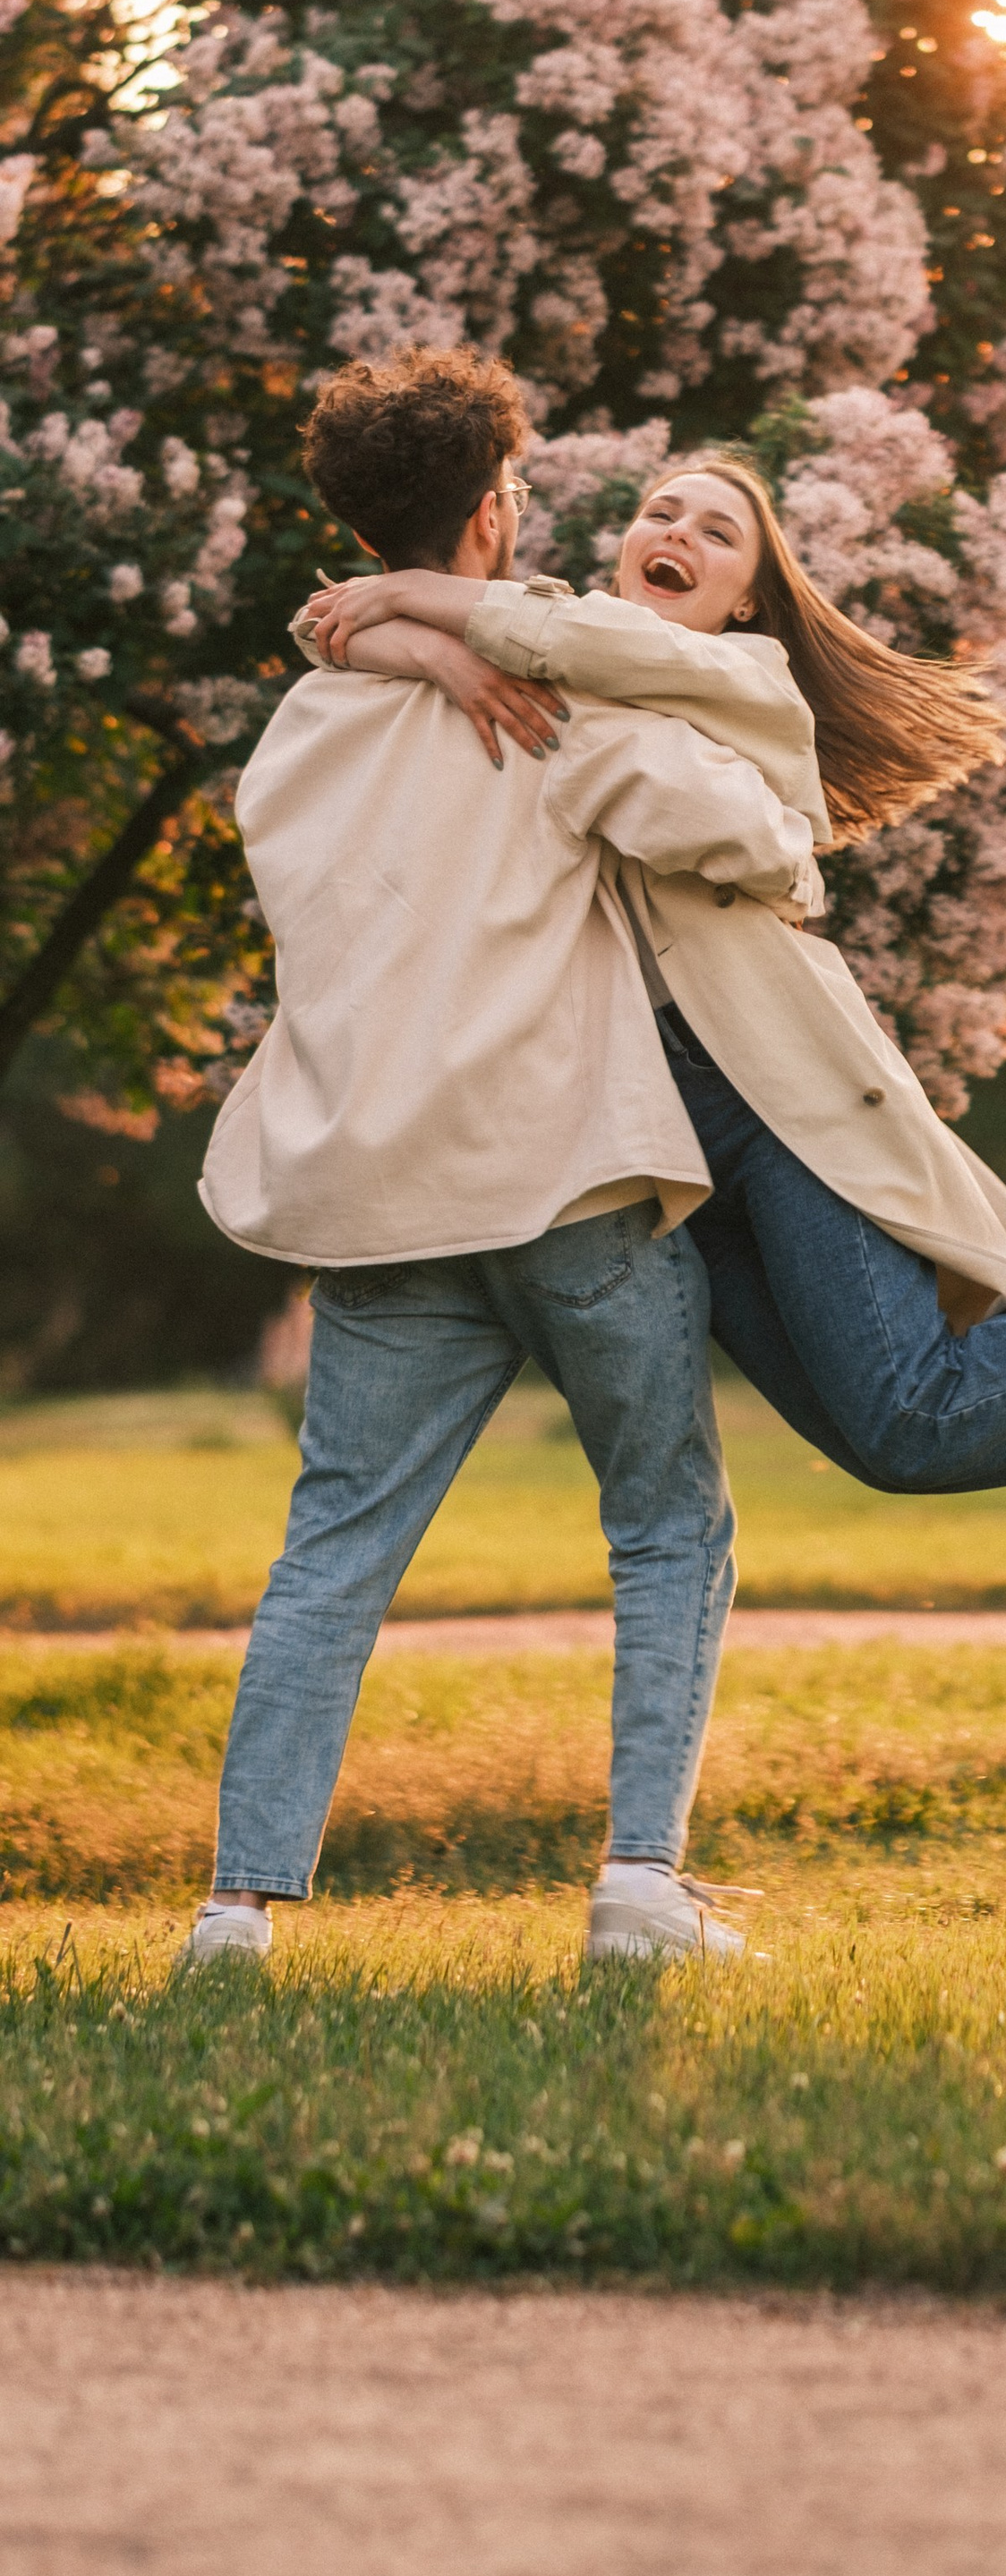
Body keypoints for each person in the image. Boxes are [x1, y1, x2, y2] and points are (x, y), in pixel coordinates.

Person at [300, 438, 1006, 1492]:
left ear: (745, 605)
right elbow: (323, 626)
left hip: (762, 1088)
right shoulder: (550, 644)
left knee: (914, 1420)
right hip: (648, 1137)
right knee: (882, 1444)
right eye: (659, 515)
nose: (677, 533)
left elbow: (578, 666)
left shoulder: (735, 672)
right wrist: (437, 645)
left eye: (717, 534)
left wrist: (424, 615)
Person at [183, 351, 827, 1968]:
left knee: (332, 1557)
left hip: (378, 1205)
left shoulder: (300, 731)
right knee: (670, 1521)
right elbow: (761, 843)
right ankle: (636, 1887)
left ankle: (236, 1915)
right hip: (567, 1182)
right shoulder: (565, 701)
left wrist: (401, 634)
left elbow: (334, 626)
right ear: (491, 517)